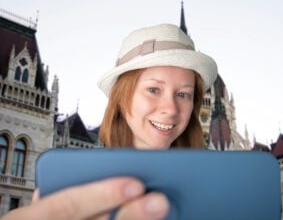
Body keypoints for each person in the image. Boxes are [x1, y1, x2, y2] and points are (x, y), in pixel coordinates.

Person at [1, 23, 218, 220]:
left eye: (183, 94)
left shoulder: (216, 186)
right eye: (153, 89)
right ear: (122, 98)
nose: (171, 109)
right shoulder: (78, 183)